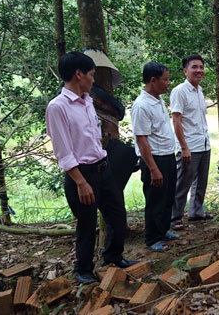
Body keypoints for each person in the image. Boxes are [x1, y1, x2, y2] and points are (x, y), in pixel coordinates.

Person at [46, 52, 137, 285]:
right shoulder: (57, 107)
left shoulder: (87, 100)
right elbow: (63, 151)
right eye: (91, 75)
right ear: (78, 74)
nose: (93, 80)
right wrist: (80, 182)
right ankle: (84, 268)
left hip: (102, 169)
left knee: (117, 215)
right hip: (81, 174)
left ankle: (113, 257)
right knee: (87, 224)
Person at [131, 62, 179, 252]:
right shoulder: (141, 106)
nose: (168, 83)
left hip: (167, 155)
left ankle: (163, 230)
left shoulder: (158, 100)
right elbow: (142, 140)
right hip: (154, 159)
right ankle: (152, 238)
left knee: (167, 197)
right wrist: (153, 168)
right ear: (153, 80)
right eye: (165, 79)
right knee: (155, 200)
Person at [170, 54, 212, 231]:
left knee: (200, 182)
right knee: (183, 183)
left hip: (203, 144)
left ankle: (195, 211)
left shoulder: (199, 90)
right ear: (185, 71)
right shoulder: (179, 91)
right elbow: (176, 120)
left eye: (201, 67)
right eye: (194, 67)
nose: (199, 70)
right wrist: (184, 147)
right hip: (189, 147)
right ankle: (174, 217)